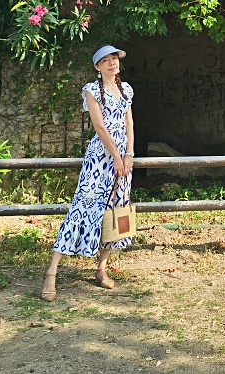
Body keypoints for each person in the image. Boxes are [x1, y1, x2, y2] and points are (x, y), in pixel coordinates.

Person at [41, 44, 135, 299]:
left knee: (115, 209)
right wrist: (116, 155)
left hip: (123, 159)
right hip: (100, 158)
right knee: (83, 206)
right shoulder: (92, 90)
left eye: (114, 59)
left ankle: (102, 269)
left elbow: (129, 122)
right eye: (105, 61)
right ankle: (51, 273)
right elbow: (100, 127)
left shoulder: (126, 89)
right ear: (97, 67)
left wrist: (128, 155)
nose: (111, 63)